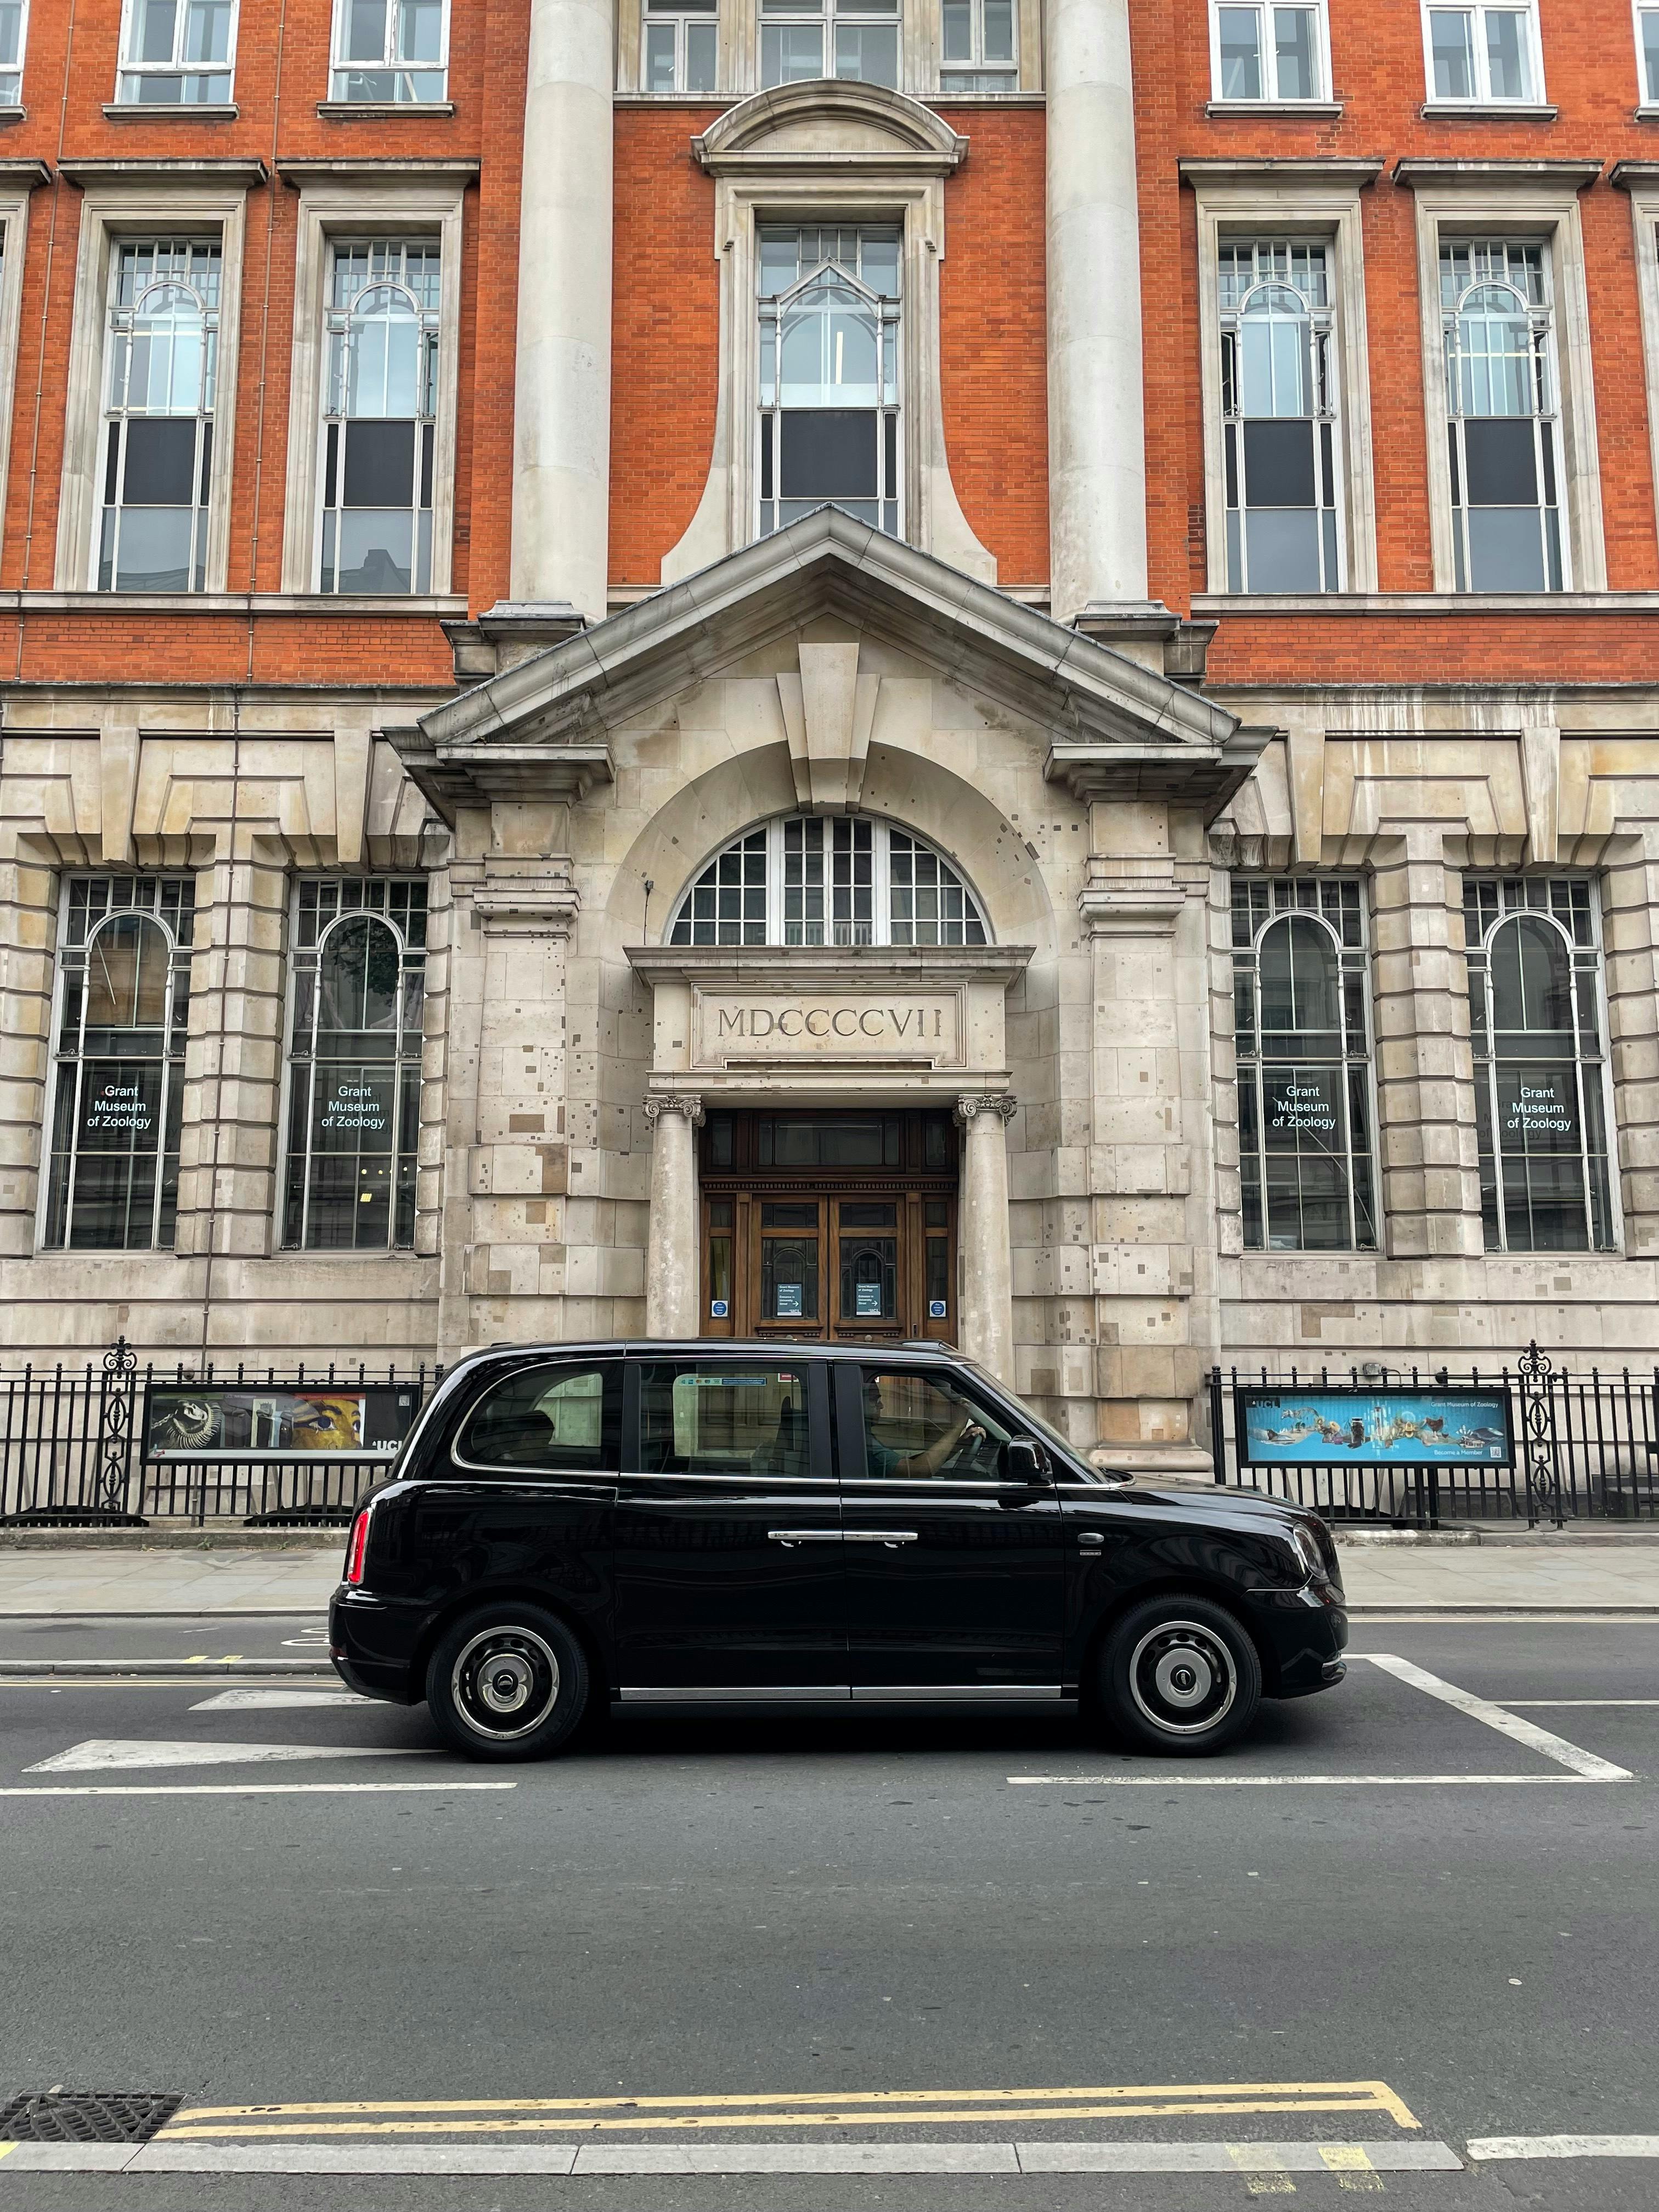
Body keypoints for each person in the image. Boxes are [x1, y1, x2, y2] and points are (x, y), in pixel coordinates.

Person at [862, 1376, 983, 1480]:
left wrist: (958, 1445)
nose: (881, 1405)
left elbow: (910, 1465)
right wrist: (957, 1427)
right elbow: (917, 1472)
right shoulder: (861, 1443)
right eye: (875, 1400)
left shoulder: (863, 1437)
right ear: (859, 1402)